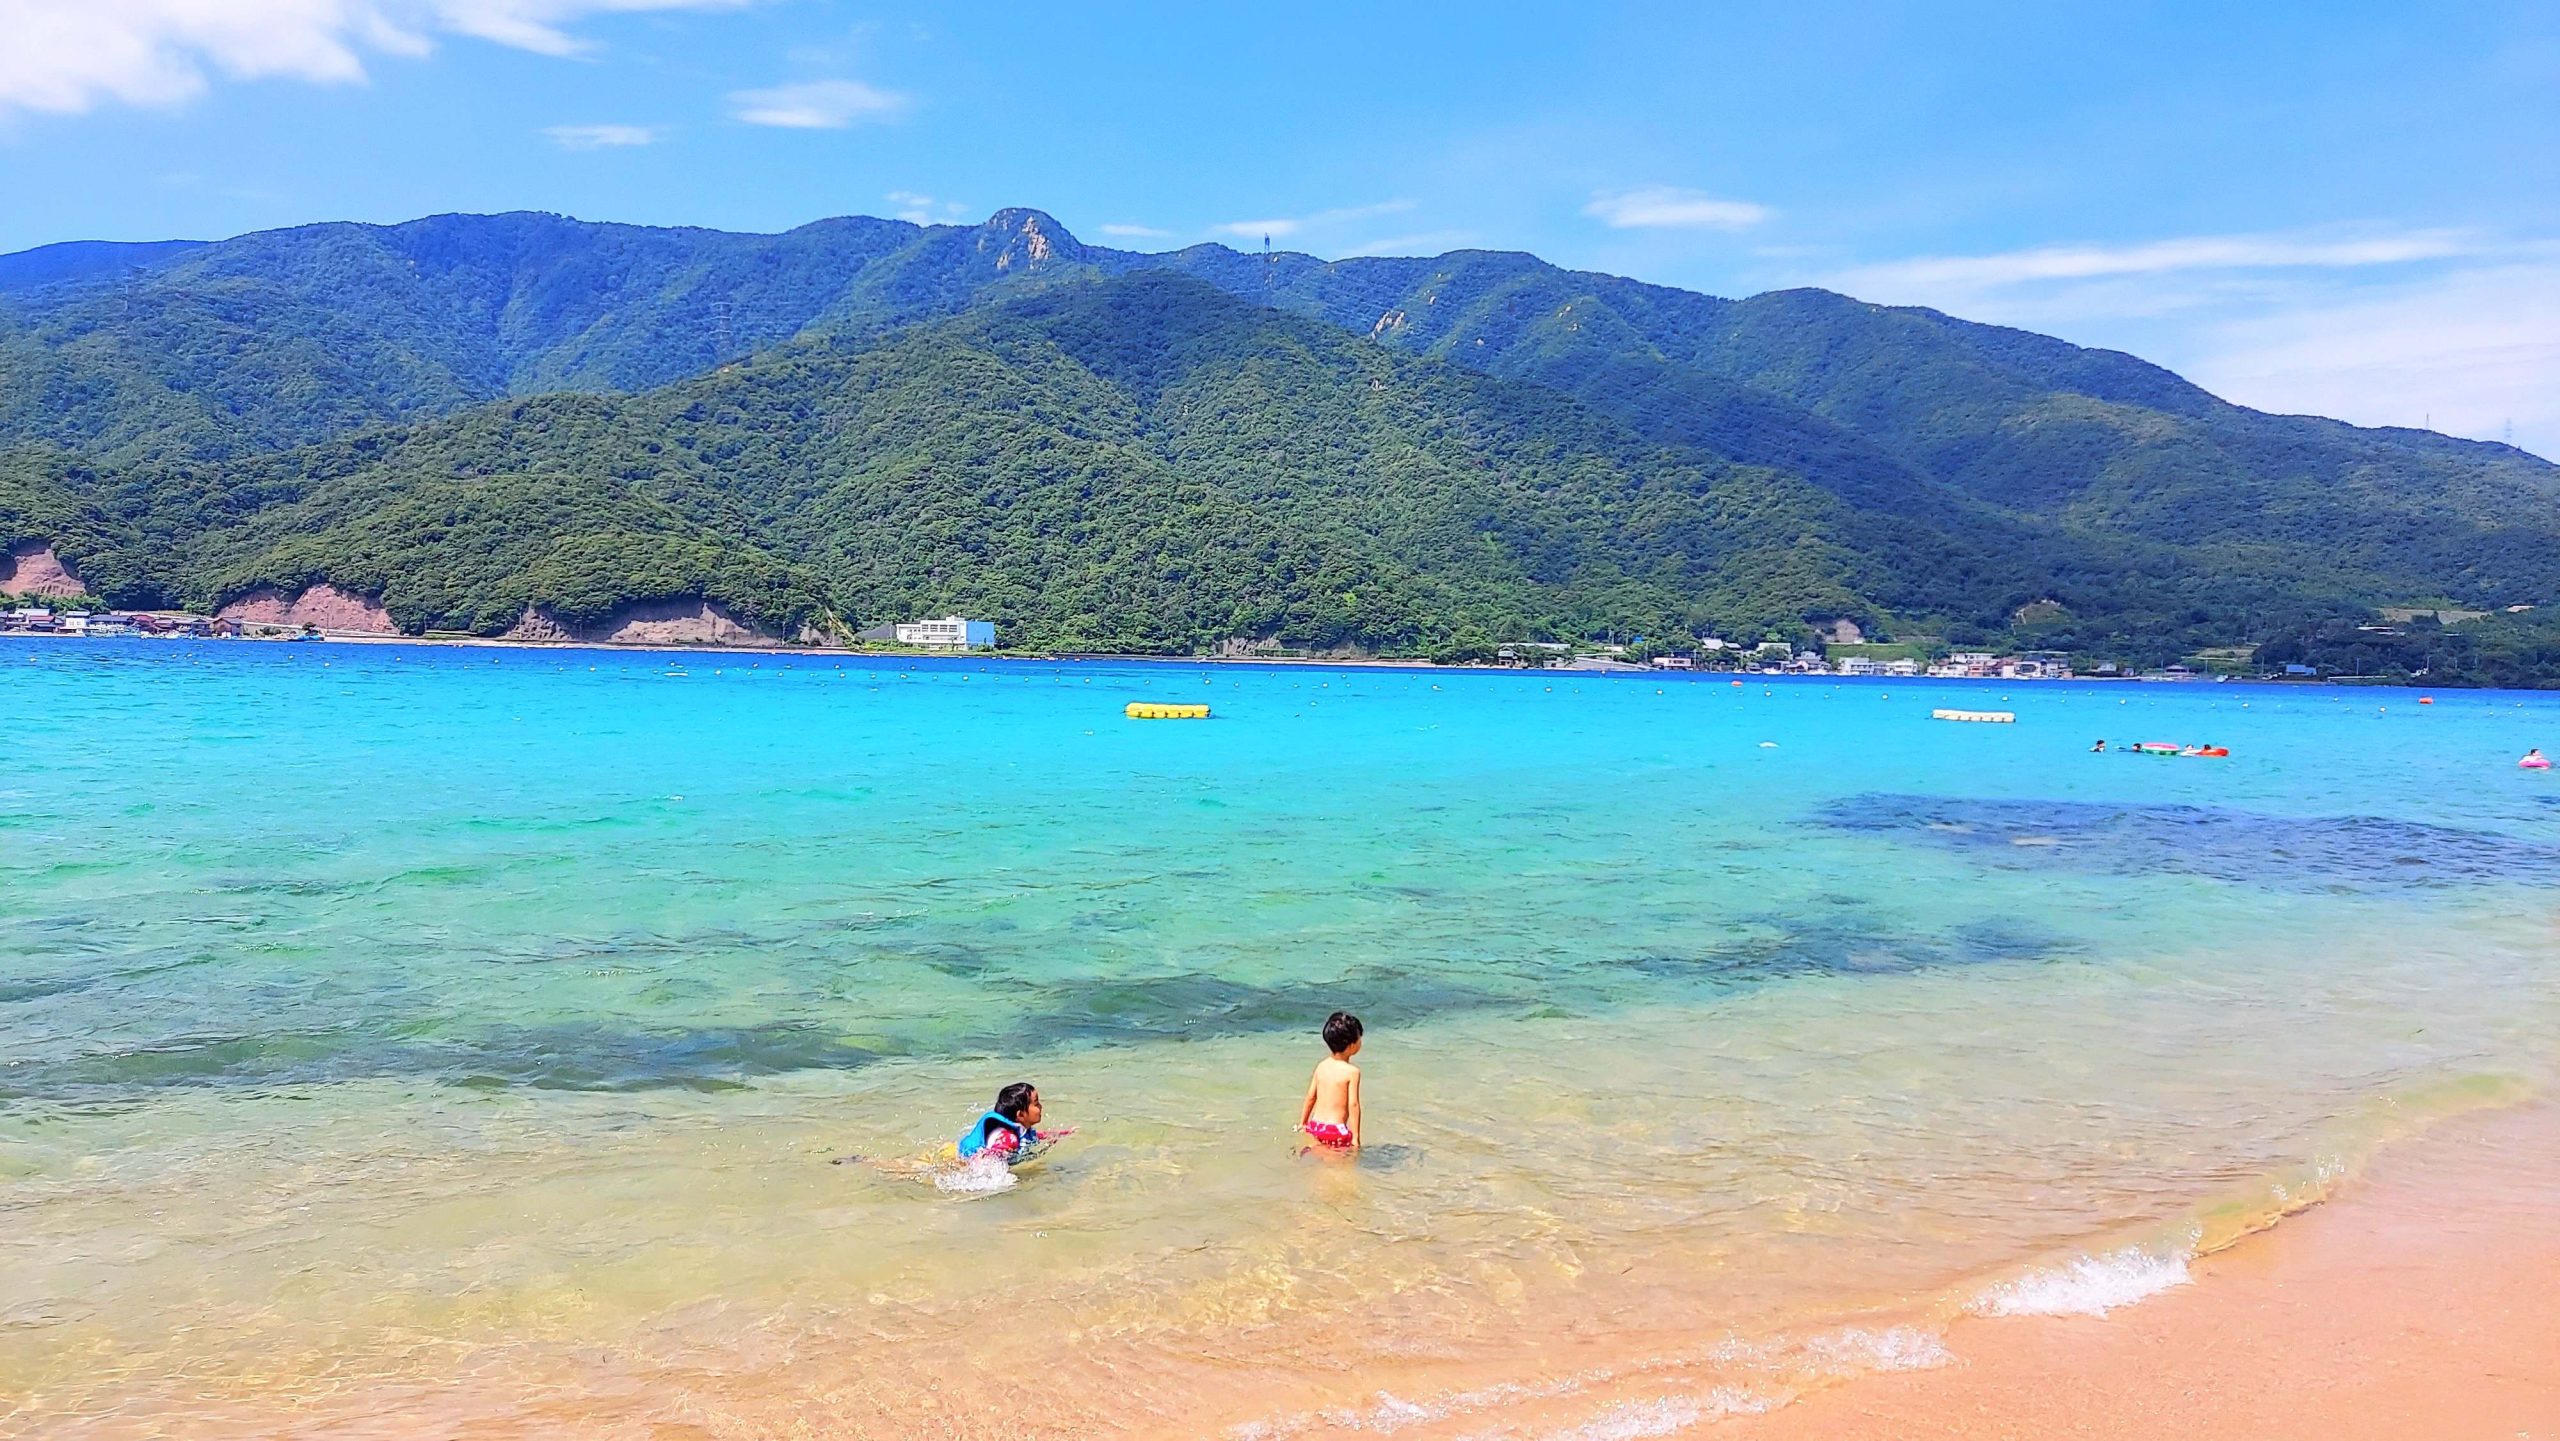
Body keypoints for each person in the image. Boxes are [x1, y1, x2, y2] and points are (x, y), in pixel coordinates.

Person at [1299, 1011, 1364, 1151]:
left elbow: (1311, 1097)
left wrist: (1303, 1123)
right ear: (1351, 1045)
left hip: (1315, 1127)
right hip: (1335, 1130)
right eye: (1359, 1038)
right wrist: (1356, 1138)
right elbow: (1353, 1105)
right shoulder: (1352, 1072)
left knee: (1318, 1156)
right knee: (1338, 1168)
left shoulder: (1321, 1066)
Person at [955, 1081, 1062, 1164]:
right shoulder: (1010, 1139)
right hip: (966, 1157)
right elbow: (987, 1157)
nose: (1041, 1106)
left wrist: (1060, 1134)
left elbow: (1035, 1135)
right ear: (1020, 1115)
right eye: (1036, 1103)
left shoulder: (1021, 1130)